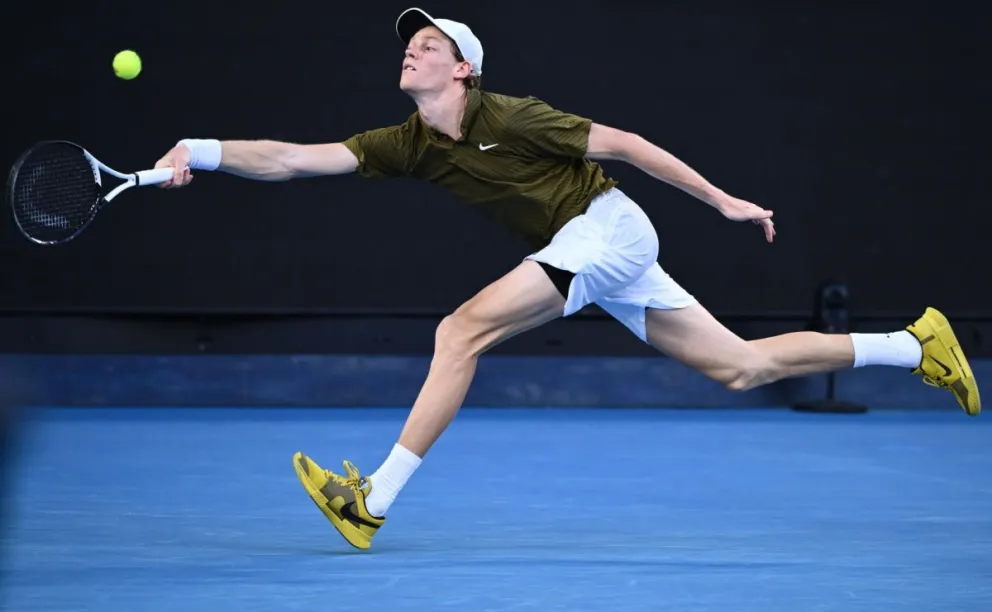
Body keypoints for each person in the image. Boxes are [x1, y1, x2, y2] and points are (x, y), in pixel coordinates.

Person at [153, 7, 981, 550]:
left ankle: (371, 499)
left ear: (464, 70)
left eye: (430, 45)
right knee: (742, 366)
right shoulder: (406, 139)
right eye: (410, 43)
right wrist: (206, 152)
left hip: (609, 230)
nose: (412, 49)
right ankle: (914, 346)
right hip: (592, 250)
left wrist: (720, 199)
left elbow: (626, 144)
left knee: (459, 330)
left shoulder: (509, 114)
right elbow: (296, 160)